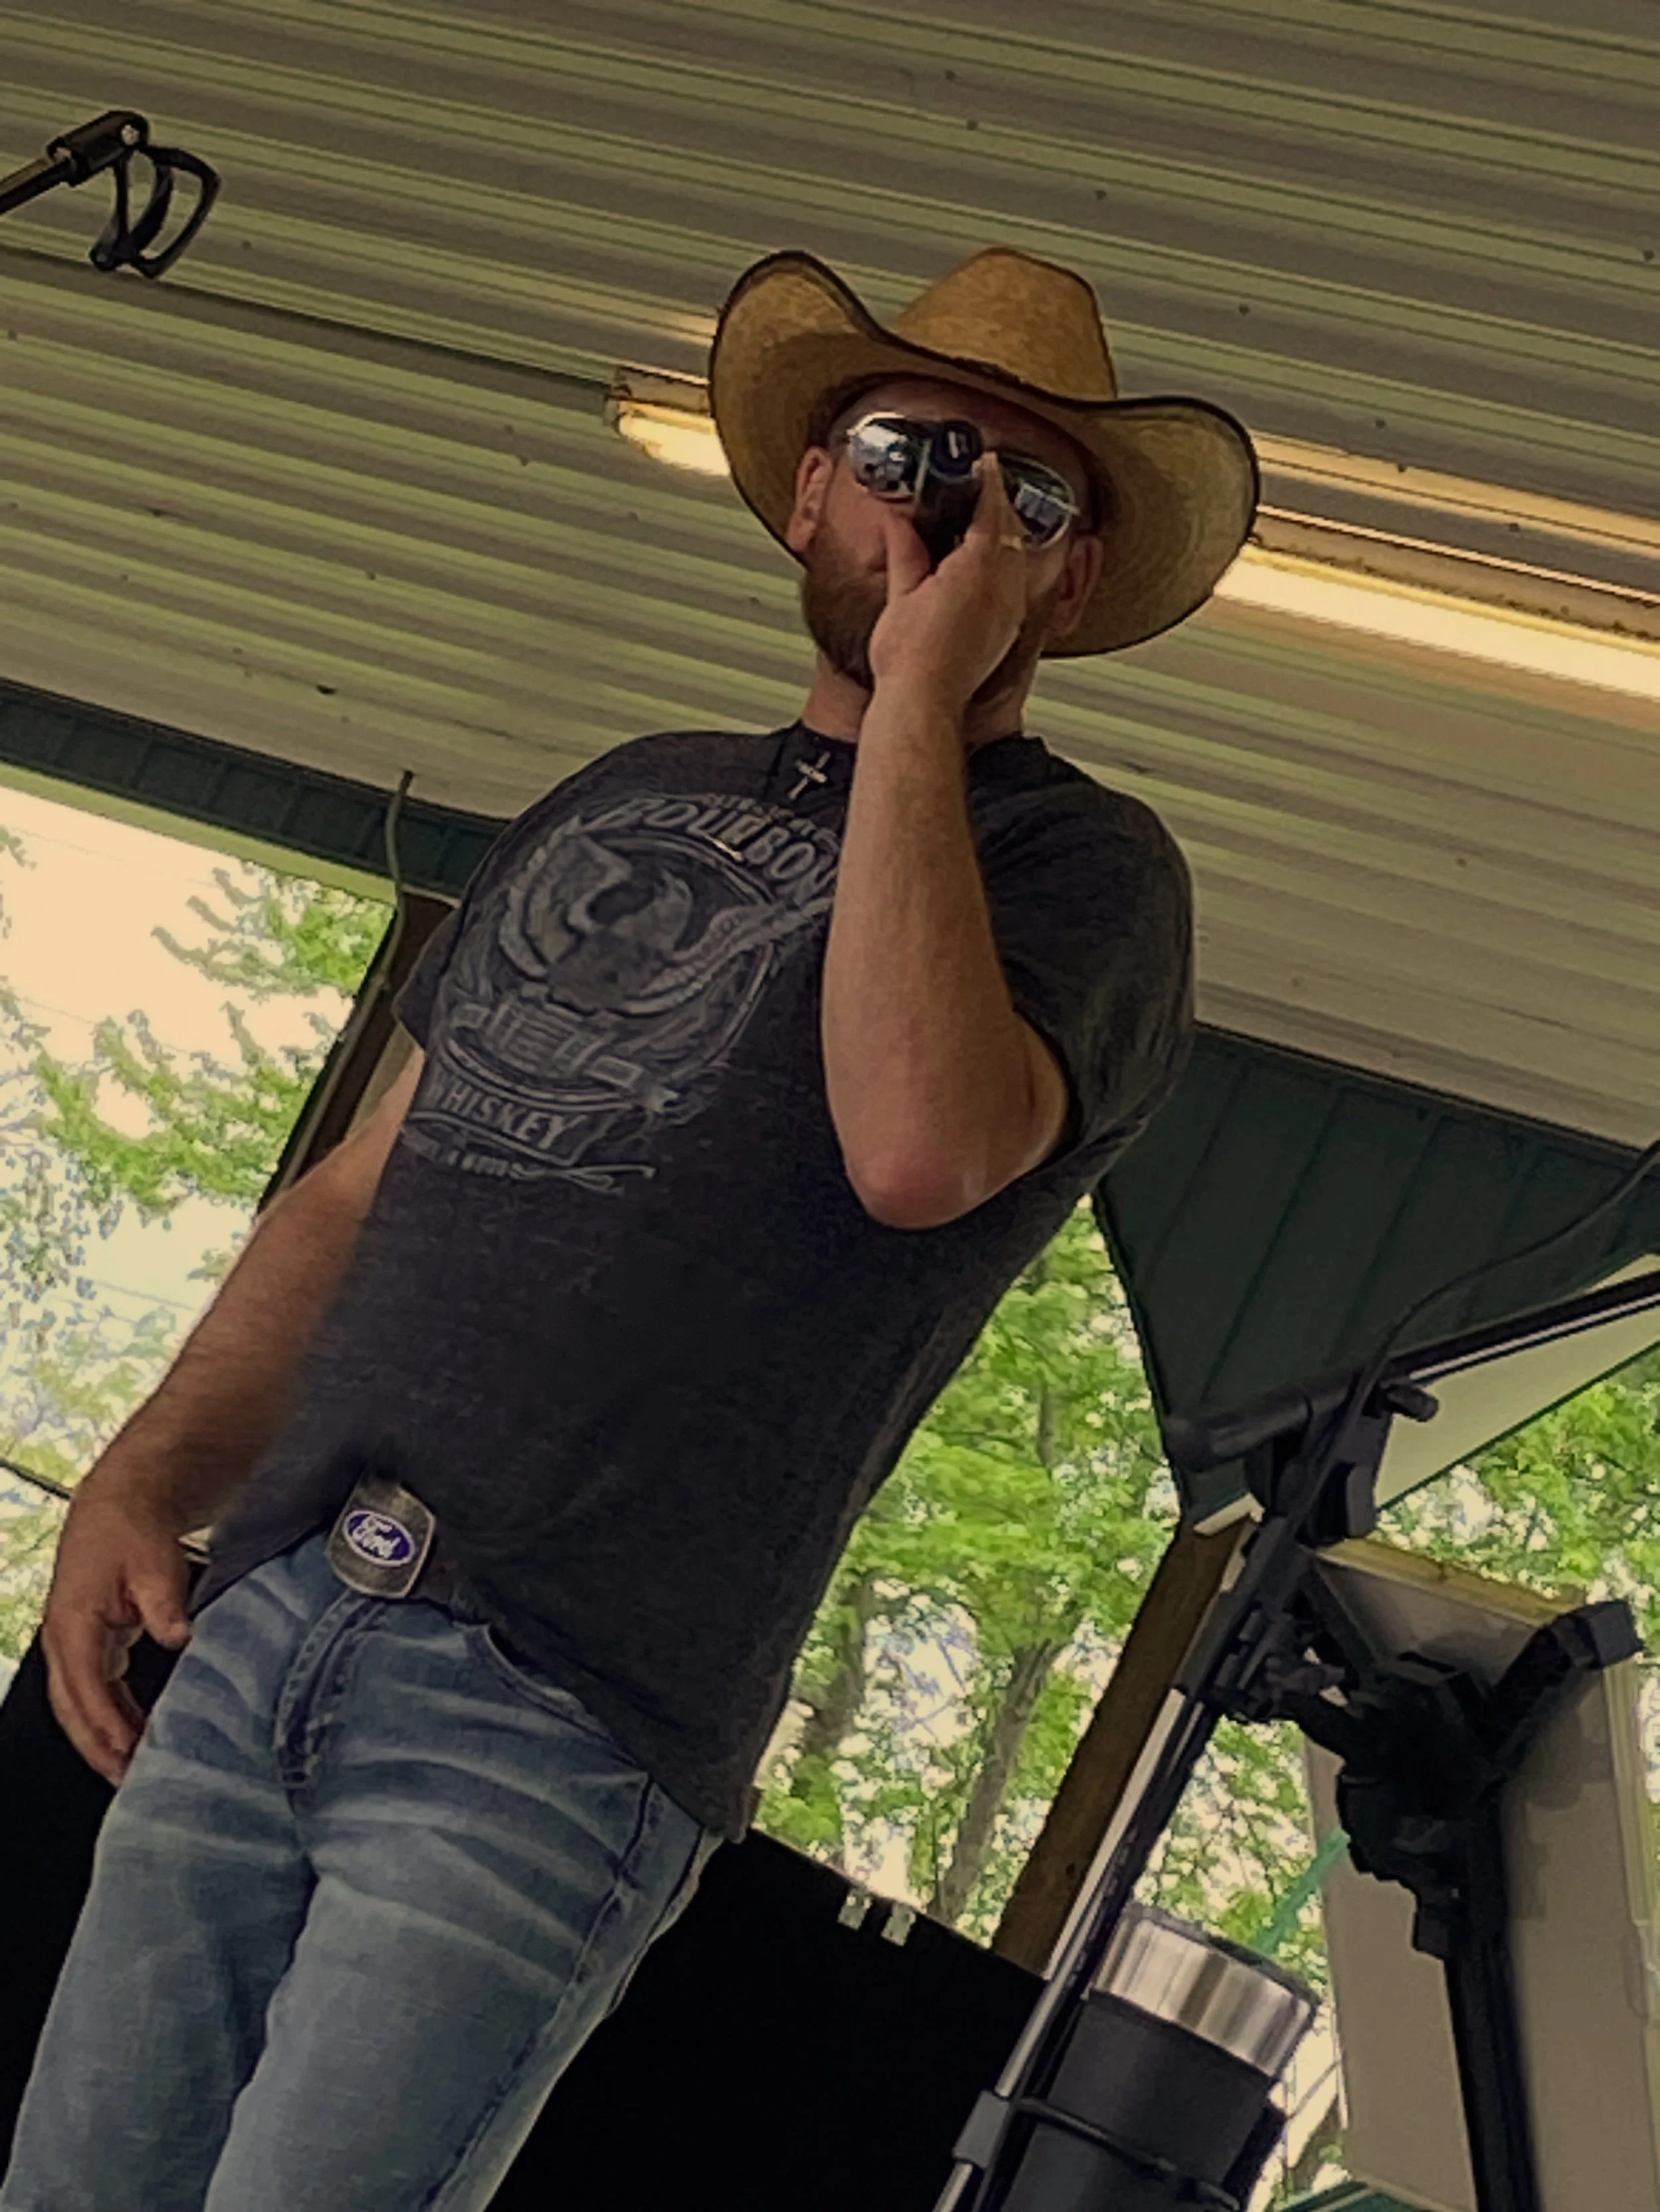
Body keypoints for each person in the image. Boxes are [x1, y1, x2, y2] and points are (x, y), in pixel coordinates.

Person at [0, 245, 1256, 2211]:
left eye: (1024, 495)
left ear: (1071, 581)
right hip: (265, 1619)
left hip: (553, 1710)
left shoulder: (1084, 871)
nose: (947, 512)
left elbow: (918, 1148)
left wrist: (921, 698)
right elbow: (358, 1186)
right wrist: (143, 1475)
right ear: (804, 492)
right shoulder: (615, 792)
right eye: (908, 450)